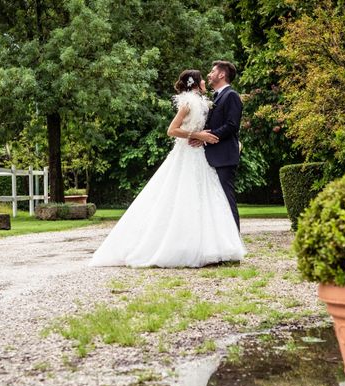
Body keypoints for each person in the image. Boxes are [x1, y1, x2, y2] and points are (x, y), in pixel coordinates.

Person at [89, 70, 246, 268]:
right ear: (196, 83)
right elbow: (171, 130)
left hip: (201, 156)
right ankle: (182, 247)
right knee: (181, 197)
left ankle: (210, 247)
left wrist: (204, 136)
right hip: (188, 154)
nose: (207, 79)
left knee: (204, 199)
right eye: (203, 78)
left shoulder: (204, 101)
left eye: (210, 74)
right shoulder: (187, 102)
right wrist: (196, 135)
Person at [189, 61, 243, 230]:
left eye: (212, 71)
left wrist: (207, 137)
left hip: (224, 156)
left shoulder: (231, 95)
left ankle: (234, 242)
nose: (209, 75)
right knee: (217, 200)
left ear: (221, 75)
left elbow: (232, 125)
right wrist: (201, 136)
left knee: (226, 199)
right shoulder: (217, 97)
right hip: (214, 156)